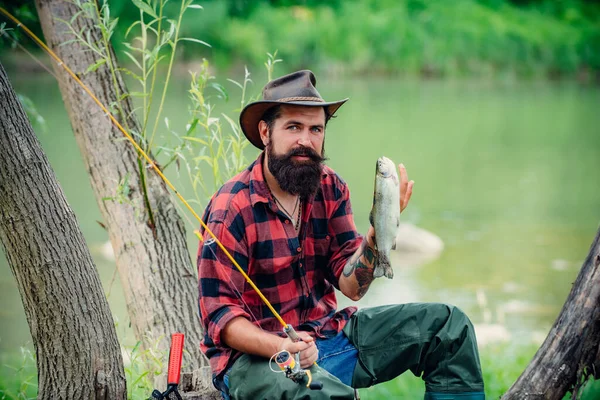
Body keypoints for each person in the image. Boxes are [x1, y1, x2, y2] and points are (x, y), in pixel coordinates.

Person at [197, 70, 485, 400]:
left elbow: (352, 285)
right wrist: (283, 347)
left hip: (327, 341)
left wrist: (377, 236)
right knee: (325, 396)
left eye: (315, 129)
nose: (305, 140)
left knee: (449, 329)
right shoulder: (231, 207)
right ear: (266, 132)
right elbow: (221, 318)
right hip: (259, 362)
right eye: (293, 127)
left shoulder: (330, 186)